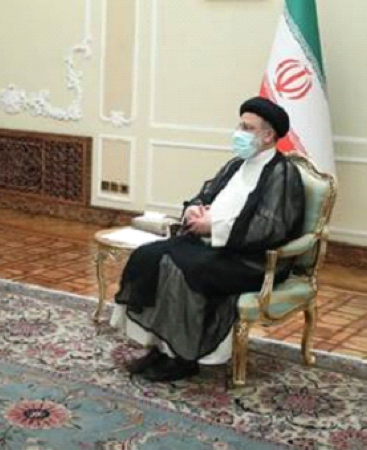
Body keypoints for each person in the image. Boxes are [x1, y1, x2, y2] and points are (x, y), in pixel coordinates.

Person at [110, 97, 305, 382]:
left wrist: (214, 228)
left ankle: (183, 358)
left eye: (247, 128)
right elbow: (206, 194)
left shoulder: (282, 174)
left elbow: (269, 227)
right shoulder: (236, 165)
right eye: (240, 125)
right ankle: (161, 347)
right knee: (149, 256)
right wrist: (193, 210)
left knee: (184, 270)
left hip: (249, 257)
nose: (239, 132)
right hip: (211, 244)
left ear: (268, 135)